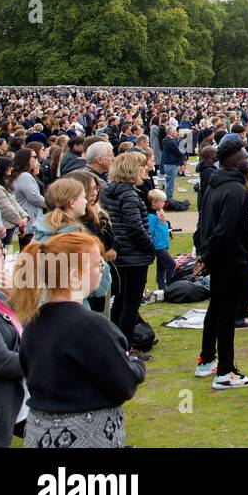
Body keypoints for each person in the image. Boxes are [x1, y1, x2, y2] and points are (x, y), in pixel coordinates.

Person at [15, 231, 146, 447]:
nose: (101, 269)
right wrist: (137, 365)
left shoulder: (34, 322)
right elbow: (124, 383)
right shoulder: (92, 326)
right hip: (85, 437)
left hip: (39, 434)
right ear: (75, 275)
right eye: (97, 266)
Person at [193, 134, 248, 387]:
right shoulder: (235, 190)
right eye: (246, 159)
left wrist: (205, 254)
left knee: (216, 308)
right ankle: (225, 371)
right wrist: (206, 255)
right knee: (226, 314)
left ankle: (207, 359)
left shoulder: (215, 184)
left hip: (219, 256)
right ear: (236, 162)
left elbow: (205, 224)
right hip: (231, 259)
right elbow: (223, 229)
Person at [102, 151, 154, 361]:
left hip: (123, 252)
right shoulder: (129, 195)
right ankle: (124, 348)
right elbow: (135, 226)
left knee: (122, 300)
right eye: (142, 167)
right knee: (130, 302)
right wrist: (150, 245)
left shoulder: (112, 192)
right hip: (134, 253)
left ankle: (115, 343)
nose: (146, 170)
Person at [0, 227, 24, 447]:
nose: (3, 254)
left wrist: (14, 296)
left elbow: (22, 328)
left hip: (13, 399)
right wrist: (41, 362)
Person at [147, 189, 174, 291]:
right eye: (162, 201)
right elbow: (149, 231)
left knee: (161, 268)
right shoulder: (151, 216)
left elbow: (163, 226)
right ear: (154, 202)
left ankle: (162, 288)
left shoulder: (160, 213)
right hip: (158, 246)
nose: (164, 203)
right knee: (171, 264)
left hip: (164, 244)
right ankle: (171, 286)